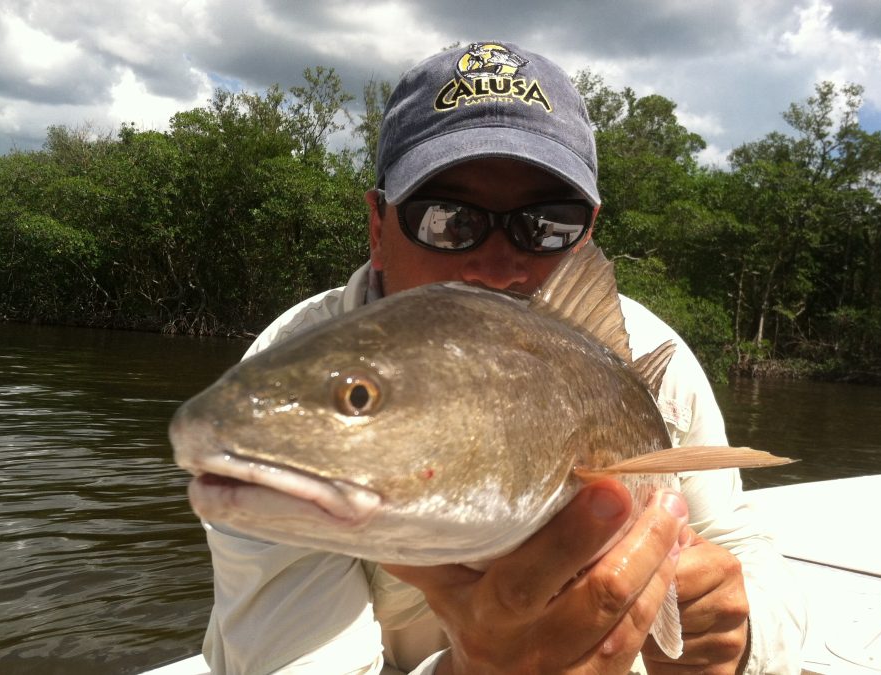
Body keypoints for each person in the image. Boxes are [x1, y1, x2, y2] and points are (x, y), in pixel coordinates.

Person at [199, 41, 807, 674]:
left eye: (546, 223)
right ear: (379, 228)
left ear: (587, 234)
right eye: (446, 218)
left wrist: (735, 642)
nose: (495, 265)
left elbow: (741, 550)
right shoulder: (286, 392)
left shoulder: (654, 363)